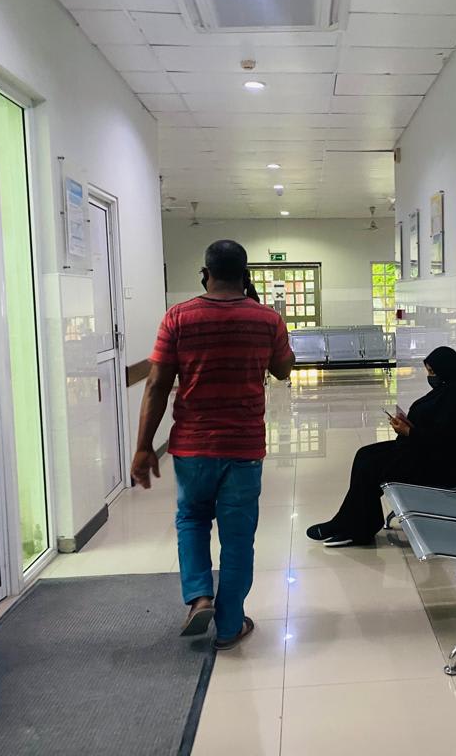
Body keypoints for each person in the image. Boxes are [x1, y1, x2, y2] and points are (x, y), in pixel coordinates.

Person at [133, 240, 295, 648]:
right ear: (245, 276)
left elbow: (156, 384)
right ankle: (229, 626)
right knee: (238, 539)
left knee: (192, 520)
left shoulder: (178, 317)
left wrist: (143, 446)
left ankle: (200, 597)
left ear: (205, 274)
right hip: (243, 447)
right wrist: (263, 318)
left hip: (192, 446)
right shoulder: (267, 319)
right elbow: (283, 369)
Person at [307, 346, 456, 547]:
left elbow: (446, 442)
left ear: (447, 371)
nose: (430, 377)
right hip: (425, 454)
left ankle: (357, 529)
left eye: (432, 372)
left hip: (439, 468)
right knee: (365, 455)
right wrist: (410, 427)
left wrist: (409, 432)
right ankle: (351, 522)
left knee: (371, 466)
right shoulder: (451, 393)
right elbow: (438, 431)